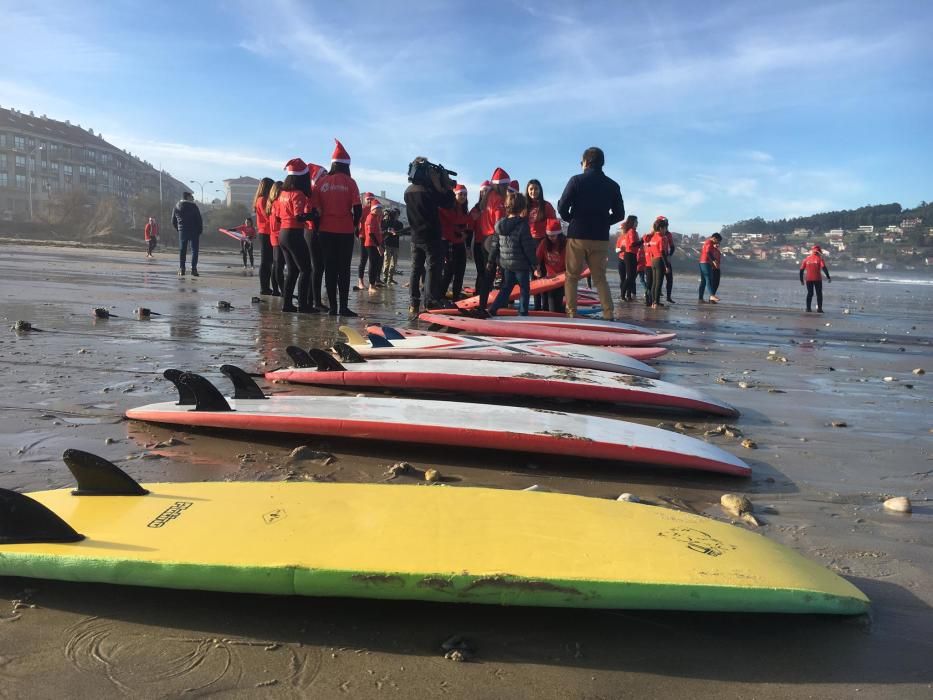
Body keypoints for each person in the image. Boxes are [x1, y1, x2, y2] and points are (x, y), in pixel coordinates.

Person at [557, 146, 625, 319]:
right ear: (602, 163)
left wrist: (571, 218)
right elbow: (620, 214)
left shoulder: (576, 181)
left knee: (572, 277)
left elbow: (563, 206)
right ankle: (609, 314)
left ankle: (572, 313)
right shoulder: (613, 185)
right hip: (600, 237)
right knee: (600, 278)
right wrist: (604, 222)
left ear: (586, 162)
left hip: (577, 235)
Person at [312, 139, 362, 316]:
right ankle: (343, 307)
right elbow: (358, 209)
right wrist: (354, 225)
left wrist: (319, 229)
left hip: (325, 232)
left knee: (330, 269)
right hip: (345, 232)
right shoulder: (351, 183)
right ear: (347, 166)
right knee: (344, 270)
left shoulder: (320, 183)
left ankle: (332, 307)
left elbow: (315, 211)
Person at [403, 156, 456, 318]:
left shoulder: (408, 191)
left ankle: (413, 302)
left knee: (416, 268)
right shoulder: (429, 190)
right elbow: (449, 202)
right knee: (433, 268)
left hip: (415, 236)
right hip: (431, 235)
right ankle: (430, 300)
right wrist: (443, 185)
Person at [272, 158, 316, 313]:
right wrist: (312, 215)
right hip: (294, 233)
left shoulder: (282, 193)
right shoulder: (298, 194)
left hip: (282, 234)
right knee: (306, 269)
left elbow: (277, 216)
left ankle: (287, 304)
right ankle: (303, 305)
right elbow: (299, 216)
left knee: (292, 270)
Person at [488, 193, 538, 316]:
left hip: (506, 265)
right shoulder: (522, 225)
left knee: (506, 288)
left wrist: (490, 260)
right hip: (521, 265)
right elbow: (528, 247)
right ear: (522, 208)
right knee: (524, 289)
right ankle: (522, 312)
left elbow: (495, 245)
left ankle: (493, 308)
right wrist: (534, 264)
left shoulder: (500, 224)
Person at [440, 183, 472, 299]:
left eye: (465, 194)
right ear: (454, 195)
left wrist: (463, 236)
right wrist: (460, 235)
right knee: (448, 272)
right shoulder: (448, 207)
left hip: (459, 244)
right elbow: (451, 223)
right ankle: (440, 296)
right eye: (460, 194)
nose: (463, 196)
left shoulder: (464, 209)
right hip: (450, 243)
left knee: (460, 272)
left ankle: (456, 295)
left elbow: (463, 224)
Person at [305, 163, 328, 310]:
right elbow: (315, 213)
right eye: (324, 175)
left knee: (316, 267)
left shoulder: (314, 191)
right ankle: (315, 301)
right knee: (317, 268)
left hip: (312, 231)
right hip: (313, 231)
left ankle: (312, 299)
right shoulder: (314, 191)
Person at [536, 218, 567, 312]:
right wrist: (536, 269)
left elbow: (572, 261)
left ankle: (561, 314)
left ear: (559, 234)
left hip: (562, 279)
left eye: (553, 236)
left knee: (554, 308)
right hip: (548, 279)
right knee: (546, 306)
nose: (551, 238)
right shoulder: (544, 242)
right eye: (549, 235)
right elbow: (537, 258)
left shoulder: (566, 243)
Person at [171, 192, 203, 276]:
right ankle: (194, 269)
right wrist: (200, 230)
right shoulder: (194, 206)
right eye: (192, 196)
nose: (193, 198)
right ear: (188, 197)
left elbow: (173, 221)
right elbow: (199, 220)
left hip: (182, 231)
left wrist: (179, 229)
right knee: (194, 250)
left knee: (182, 250)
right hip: (194, 231)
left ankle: (182, 269)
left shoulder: (177, 206)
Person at [253, 178, 275, 294]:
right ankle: (264, 287)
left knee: (268, 261)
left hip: (265, 231)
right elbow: (268, 216)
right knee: (266, 261)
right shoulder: (262, 200)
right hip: (266, 232)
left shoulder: (260, 199)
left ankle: (266, 286)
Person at [642, 217, 667, 308]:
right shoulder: (661, 238)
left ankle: (653, 301)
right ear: (661, 228)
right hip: (659, 260)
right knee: (658, 282)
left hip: (652, 261)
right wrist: (667, 265)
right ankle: (656, 302)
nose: (665, 230)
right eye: (665, 228)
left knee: (653, 283)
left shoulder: (652, 239)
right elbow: (663, 252)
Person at [613, 215, 640, 301]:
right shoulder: (621, 238)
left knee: (631, 277)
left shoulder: (632, 233)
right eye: (621, 229)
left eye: (622, 228)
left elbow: (636, 245)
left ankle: (628, 295)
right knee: (624, 278)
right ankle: (623, 294)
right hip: (622, 259)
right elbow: (616, 250)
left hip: (630, 256)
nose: (622, 230)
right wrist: (621, 249)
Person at [265, 180, 284, 296]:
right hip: (278, 235)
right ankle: (282, 290)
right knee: (279, 265)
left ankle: (277, 289)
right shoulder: (277, 204)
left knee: (276, 264)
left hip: (273, 235)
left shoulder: (270, 203)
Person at [799, 244, 831, 312]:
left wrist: (801, 280)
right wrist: (828, 277)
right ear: (818, 252)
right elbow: (824, 268)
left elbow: (801, 270)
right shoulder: (820, 259)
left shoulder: (806, 259)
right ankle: (819, 309)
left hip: (808, 279)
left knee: (810, 293)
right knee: (819, 294)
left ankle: (808, 308)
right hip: (817, 279)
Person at [355, 192, 376, 290]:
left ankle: (372, 282)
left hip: (372, 237)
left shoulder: (375, 210)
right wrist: (357, 234)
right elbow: (356, 223)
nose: (369, 201)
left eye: (371, 199)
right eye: (368, 199)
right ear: (364, 200)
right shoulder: (362, 210)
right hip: (363, 236)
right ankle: (360, 281)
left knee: (372, 260)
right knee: (363, 259)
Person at [363, 199, 384, 292]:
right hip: (371, 244)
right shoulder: (370, 218)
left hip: (376, 244)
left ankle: (374, 283)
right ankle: (371, 286)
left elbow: (377, 233)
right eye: (378, 209)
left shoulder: (376, 218)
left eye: (380, 209)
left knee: (376, 264)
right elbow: (371, 234)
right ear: (373, 209)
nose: (380, 211)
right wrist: (378, 246)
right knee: (372, 263)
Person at [698, 233, 722, 303]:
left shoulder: (708, 242)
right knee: (708, 278)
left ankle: (700, 298)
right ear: (714, 238)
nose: (718, 243)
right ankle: (711, 295)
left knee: (703, 282)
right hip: (705, 262)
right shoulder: (709, 242)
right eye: (718, 241)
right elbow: (708, 252)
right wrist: (714, 261)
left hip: (702, 262)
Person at [381, 208, 402, 285]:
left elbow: (401, 233)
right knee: (386, 262)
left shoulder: (400, 224)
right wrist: (388, 231)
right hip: (387, 244)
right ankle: (385, 278)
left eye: (396, 214)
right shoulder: (386, 222)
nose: (395, 215)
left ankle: (390, 279)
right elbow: (382, 231)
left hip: (396, 245)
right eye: (394, 214)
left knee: (394, 263)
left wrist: (396, 233)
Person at [660, 217, 677, 303]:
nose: (666, 225)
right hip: (657, 259)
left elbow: (673, 247)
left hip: (666, 258)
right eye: (665, 224)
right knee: (657, 279)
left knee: (670, 279)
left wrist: (670, 255)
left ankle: (668, 297)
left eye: (667, 224)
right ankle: (654, 297)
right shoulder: (655, 234)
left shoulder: (669, 234)